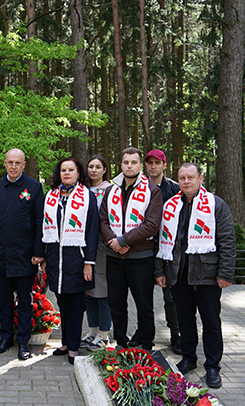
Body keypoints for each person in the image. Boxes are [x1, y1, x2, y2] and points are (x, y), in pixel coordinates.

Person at [155, 163, 235, 388]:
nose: (186, 181)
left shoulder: (216, 205)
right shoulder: (170, 206)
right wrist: (160, 271)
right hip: (179, 274)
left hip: (207, 275)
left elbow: (227, 241)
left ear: (201, 179)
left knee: (210, 322)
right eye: (182, 178)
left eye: (191, 177)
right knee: (185, 321)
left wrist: (225, 273)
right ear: (178, 180)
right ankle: (189, 358)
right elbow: (164, 242)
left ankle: (212, 366)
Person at [0, 148, 44, 361]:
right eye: (10, 162)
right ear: (5, 164)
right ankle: (5, 337)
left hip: (25, 255)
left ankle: (23, 342)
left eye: (17, 163)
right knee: (4, 301)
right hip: (1, 254)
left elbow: (39, 222)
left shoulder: (34, 187)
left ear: (24, 164)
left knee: (25, 302)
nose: (13, 166)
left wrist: (38, 252)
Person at [99, 147, 162, 350]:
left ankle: (146, 343)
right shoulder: (111, 190)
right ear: (121, 165)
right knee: (117, 304)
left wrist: (124, 240)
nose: (129, 166)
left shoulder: (152, 191)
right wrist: (114, 242)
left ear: (140, 166)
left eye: (133, 162)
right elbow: (102, 220)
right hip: (114, 258)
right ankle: (121, 342)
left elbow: (152, 224)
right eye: (126, 162)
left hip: (141, 258)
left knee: (144, 305)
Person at [41, 158, 98, 365]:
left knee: (76, 304)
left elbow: (92, 232)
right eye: (63, 170)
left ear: (78, 173)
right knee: (62, 302)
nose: (67, 173)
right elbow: (45, 227)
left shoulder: (87, 197)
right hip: (56, 257)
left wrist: (89, 262)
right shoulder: (51, 196)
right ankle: (64, 342)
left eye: (71, 170)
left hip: (77, 258)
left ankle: (74, 346)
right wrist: (46, 257)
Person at [142, 149, 182, 354]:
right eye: (149, 163)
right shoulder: (139, 188)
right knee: (142, 295)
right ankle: (143, 332)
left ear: (164, 165)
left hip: (168, 251)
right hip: (144, 248)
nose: (153, 166)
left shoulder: (175, 189)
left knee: (171, 296)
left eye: (157, 163)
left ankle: (176, 334)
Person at [80, 155, 112, 351]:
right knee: (88, 291)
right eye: (90, 166)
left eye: (97, 167)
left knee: (102, 290)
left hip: (101, 246)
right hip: (82, 244)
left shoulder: (110, 190)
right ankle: (92, 330)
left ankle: (104, 333)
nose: (93, 170)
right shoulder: (81, 190)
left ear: (104, 170)